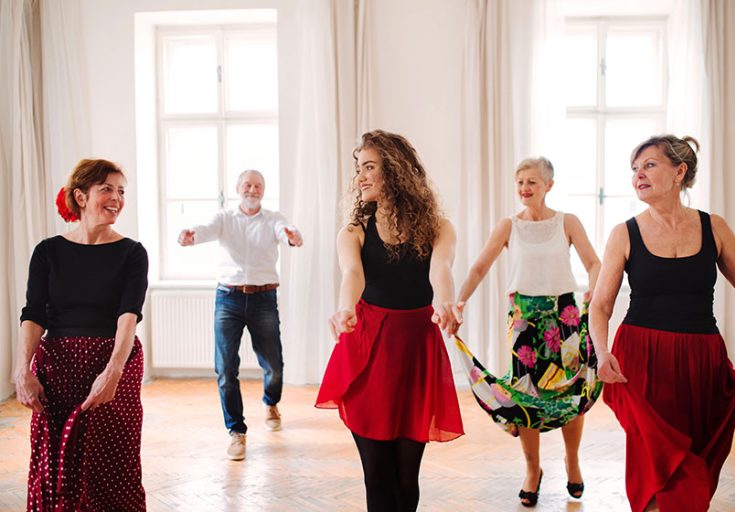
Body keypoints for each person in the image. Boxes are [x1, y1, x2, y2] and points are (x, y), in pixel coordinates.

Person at [589, 135, 735, 511]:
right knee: (658, 470)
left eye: (649, 165)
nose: (639, 174)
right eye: (634, 169)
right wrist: (602, 353)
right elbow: (601, 306)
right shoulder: (624, 233)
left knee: (695, 466)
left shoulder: (713, 228)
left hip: (701, 362)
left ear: (679, 172)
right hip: (641, 363)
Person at [315, 130, 464, 512]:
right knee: (377, 474)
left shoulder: (438, 228)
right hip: (369, 350)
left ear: (396, 172)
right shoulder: (353, 232)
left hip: (416, 351)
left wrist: (446, 302)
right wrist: (345, 307)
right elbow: (352, 275)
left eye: (370, 167)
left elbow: (440, 270)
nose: (360, 177)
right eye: (358, 168)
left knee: (406, 477)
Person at [452, 156, 603, 507]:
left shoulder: (568, 222)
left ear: (549, 185)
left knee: (569, 392)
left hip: (563, 316)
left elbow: (594, 263)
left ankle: (573, 461)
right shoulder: (509, 225)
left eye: (532, 181)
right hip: (522, 317)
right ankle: (532, 469)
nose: (524, 188)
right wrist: (458, 302)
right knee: (525, 395)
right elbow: (478, 267)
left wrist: (594, 290)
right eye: (520, 181)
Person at [14, 159, 148, 511]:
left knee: (113, 460)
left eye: (121, 191)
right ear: (81, 196)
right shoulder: (47, 252)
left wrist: (113, 371)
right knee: (56, 460)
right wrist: (21, 370)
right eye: (107, 188)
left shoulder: (132, 253)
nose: (116, 198)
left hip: (114, 360)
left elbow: (128, 316)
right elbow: (34, 314)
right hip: (58, 364)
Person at [177, 169, 302, 461]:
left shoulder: (272, 218)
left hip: (264, 298)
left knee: (274, 362)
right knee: (225, 368)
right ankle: (237, 432)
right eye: (248, 184)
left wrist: (292, 236)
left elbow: (286, 231)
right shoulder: (224, 218)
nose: (253, 189)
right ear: (238, 188)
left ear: (263, 190)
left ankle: (271, 402)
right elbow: (204, 229)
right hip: (228, 299)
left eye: (258, 185)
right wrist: (190, 236)